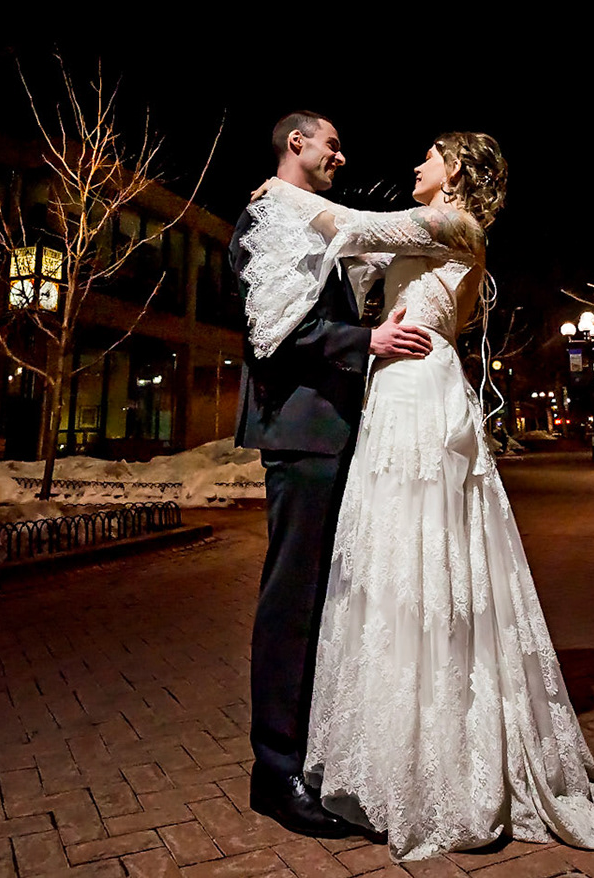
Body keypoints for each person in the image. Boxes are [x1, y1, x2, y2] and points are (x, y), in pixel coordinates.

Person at [260, 133, 594, 864]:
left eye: (428, 154)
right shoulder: (428, 228)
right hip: (392, 395)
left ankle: (435, 768)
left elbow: (351, 229)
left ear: (456, 171)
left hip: (420, 403)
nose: (415, 165)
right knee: (390, 573)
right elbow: (354, 263)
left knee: (425, 568)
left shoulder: (454, 225)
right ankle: (395, 753)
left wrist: (279, 191)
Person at [229, 111, 434, 838]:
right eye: (332, 144)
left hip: (338, 431)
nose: (341, 157)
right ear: (296, 143)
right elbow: (275, 336)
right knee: (292, 602)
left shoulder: (314, 224)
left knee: (328, 601)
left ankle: (312, 753)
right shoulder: (267, 221)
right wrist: (367, 337)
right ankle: (273, 772)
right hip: (303, 432)